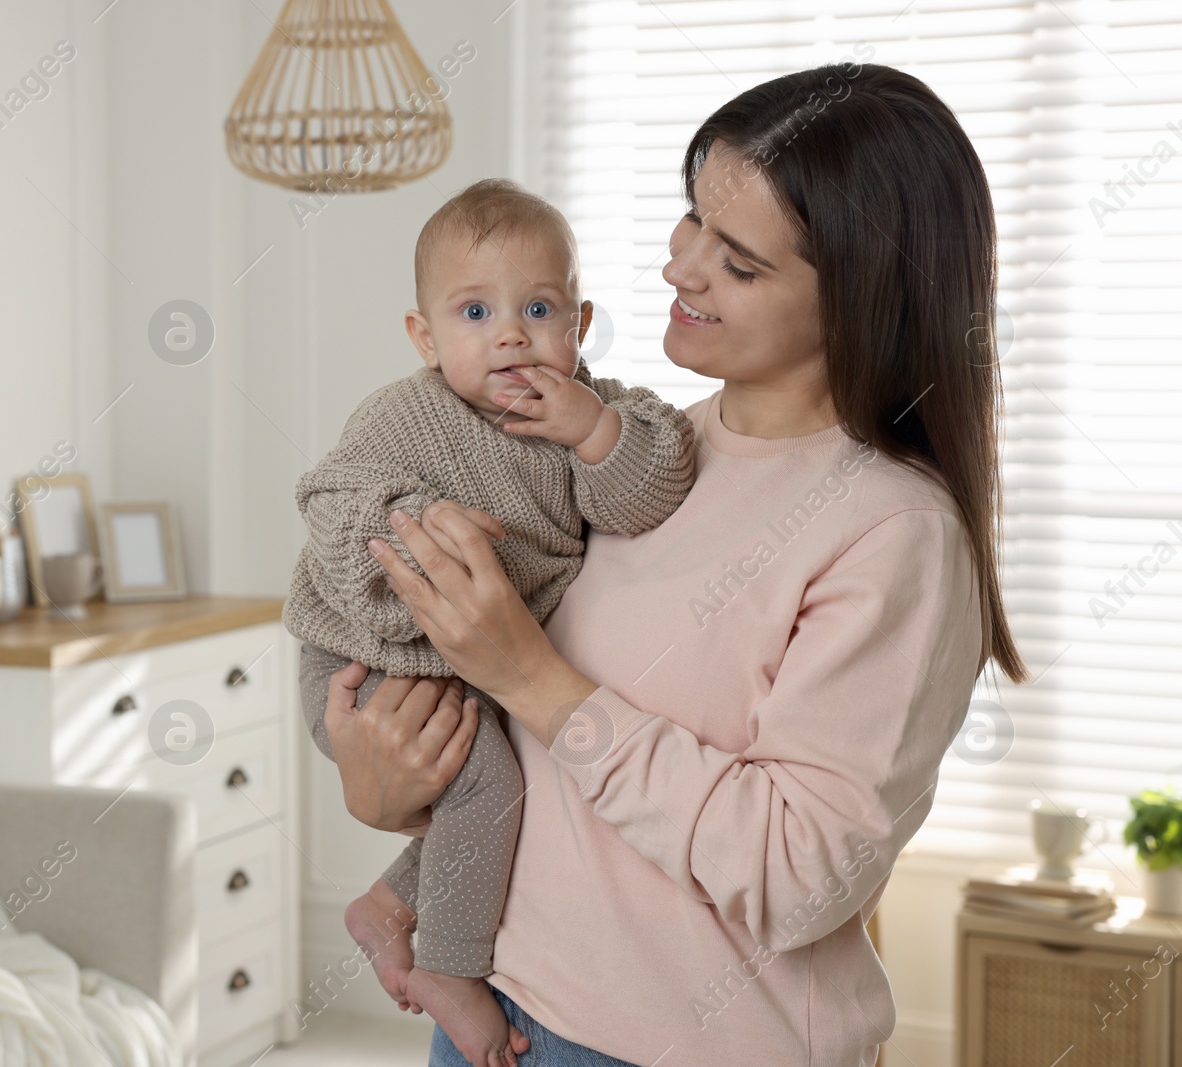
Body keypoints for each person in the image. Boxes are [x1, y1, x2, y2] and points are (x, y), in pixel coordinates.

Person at [320, 63, 1028, 1066]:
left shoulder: (889, 530)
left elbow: (799, 875)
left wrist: (527, 670)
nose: (679, 269)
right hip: (501, 1011)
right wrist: (387, 786)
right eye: (690, 220)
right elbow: (547, 777)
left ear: (861, 299)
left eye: (738, 264)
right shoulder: (626, 450)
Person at [284, 180, 695, 1067]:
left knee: (523, 784)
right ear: (425, 337)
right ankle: (450, 968)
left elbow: (648, 492)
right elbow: (329, 500)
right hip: (367, 660)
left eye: (537, 308)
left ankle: (389, 906)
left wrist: (596, 432)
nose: (510, 333)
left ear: (579, 325)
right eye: (475, 311)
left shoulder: (591, 408)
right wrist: (417, 524)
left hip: (474, 670)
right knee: (493, 786)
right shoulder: (405, 416)